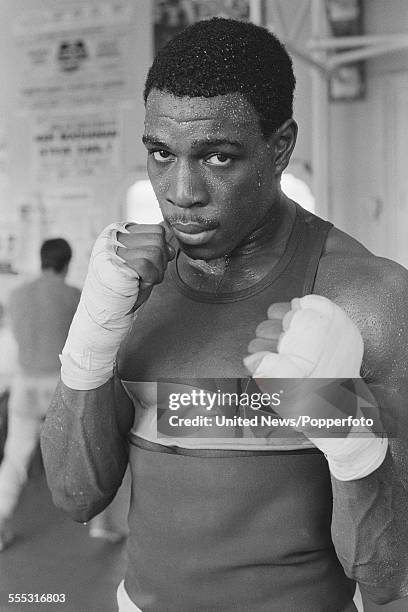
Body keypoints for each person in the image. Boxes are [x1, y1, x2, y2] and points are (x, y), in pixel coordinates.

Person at [41, 18, 408, 612]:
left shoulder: (367, 297)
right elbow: (74, 494)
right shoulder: (132, 288)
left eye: (218, 157)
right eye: (161, 154)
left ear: (281, 146)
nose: (181, 191)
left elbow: (392, 573)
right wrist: (91, 336)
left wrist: (342, 414)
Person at [0, 238, 80, 550]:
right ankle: (102, 523)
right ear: (68, 262)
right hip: (59, 384)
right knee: (88, 449)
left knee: (15, 458)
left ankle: (0, 518)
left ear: (41, 259)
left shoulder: (17, 295)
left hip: (25, 382)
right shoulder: (73, 295)